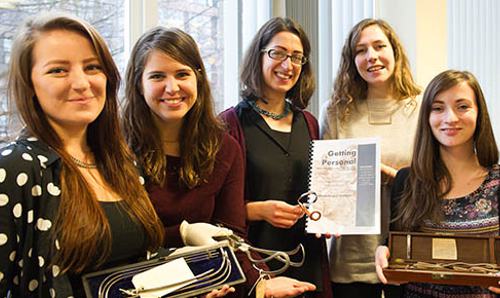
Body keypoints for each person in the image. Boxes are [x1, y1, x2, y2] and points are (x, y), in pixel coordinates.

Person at [122, 26, 316, 298]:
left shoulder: (223, 148)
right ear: (138, 84)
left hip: (208, 284)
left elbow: (232, 233)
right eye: (157, 76)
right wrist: (184, 233)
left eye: (182, 74)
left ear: (198, 79)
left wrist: (260, 284)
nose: (172, 87)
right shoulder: (115, 149)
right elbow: (117, 241)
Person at [0, 12, 165, 297]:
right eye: (58, 70)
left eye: (92, 67)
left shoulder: (123, 162)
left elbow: (135, 266)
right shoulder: (16, 169)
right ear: (30, 86)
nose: (81, 83)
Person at [220, 17, 332, 297]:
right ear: (258, 57)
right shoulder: (229, 124)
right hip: (254, 266)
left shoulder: (310, 123)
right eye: (278, 53)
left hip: (310, 261)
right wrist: (258, 210)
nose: (288, 65)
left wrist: (330, 217)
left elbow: (319, 193)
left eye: (297, 57)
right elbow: (215, 213)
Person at [375, 69, 499, 297]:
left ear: (479, 113)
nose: (450, 118)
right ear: (427, 118)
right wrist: (383, 253)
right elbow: (396, 249)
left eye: (463, 106)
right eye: (438, 108)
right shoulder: (407, 181)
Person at [320, 18, 421, 297]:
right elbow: (326, 180)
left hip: (408, 255)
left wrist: (394, 175)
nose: (371, 56)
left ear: (395, 52)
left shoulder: (423, 107)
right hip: (350, 259)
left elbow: (438, 178)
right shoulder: (335, 111)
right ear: (352, 60)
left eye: (379, 46)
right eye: (361, 50)